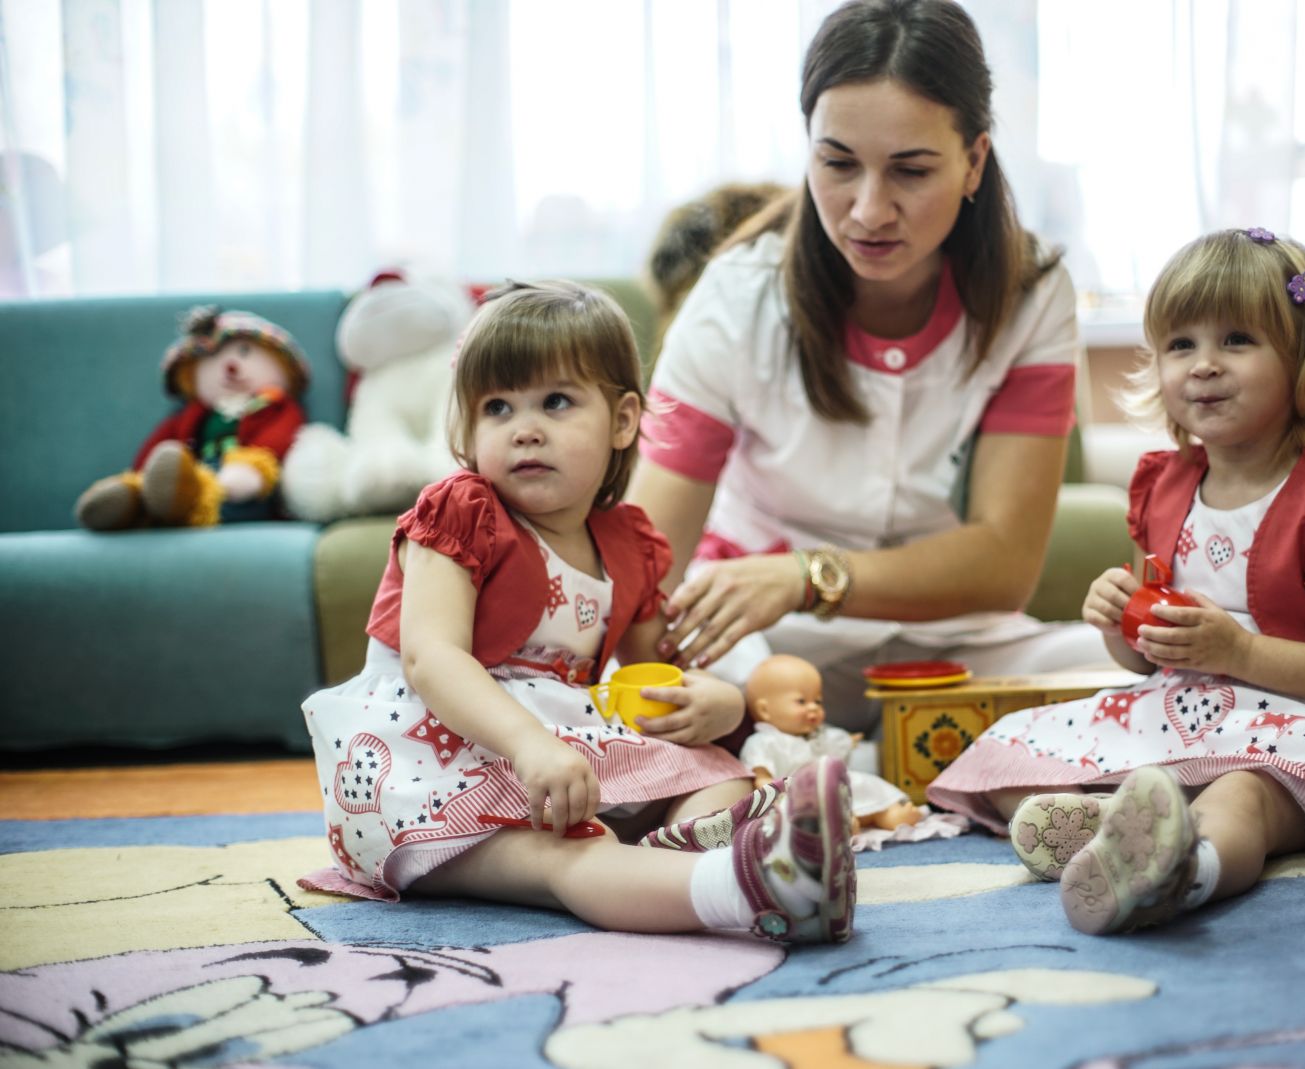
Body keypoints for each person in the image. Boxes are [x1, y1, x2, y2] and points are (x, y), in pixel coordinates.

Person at [297, 281, 855, 945]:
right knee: (569, 857)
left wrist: (721, 703)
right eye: (497, 406)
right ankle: (751, 888)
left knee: (715, 767)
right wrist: (530, 745)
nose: (524, 427)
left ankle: (678, 860)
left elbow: (658, 674)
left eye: (556, 401)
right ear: (468, 429)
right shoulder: (461, 514)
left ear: (622, 421)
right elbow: (430, 657)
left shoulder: (629, 542)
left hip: (554, 754)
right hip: (432, 763)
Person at [926, 228, 1305, 935]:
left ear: (1303, 361)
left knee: (1241, 799)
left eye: (1235, 339)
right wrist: (1118, 627)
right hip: (1184, 710)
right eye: (1180, 344)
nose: (1202, 365)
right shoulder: (1162, 486)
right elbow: (1147, 657)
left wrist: (1239, 653)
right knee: (1010, 759)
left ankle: (1183, 872)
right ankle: (1122, 825)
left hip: (1301, 731)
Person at [626, 0, 1106, 734]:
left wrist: (808, 576)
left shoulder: (1032, 293)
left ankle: (859, 768)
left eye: (910, 171)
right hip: (758, 646)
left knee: (1135, 677)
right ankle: (868, 770)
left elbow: (1004, 562)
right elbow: (648, 562)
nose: (868, 211)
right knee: (693, 700)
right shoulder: (734, 297)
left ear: (975, 160)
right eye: (838, 163)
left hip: (949, 638)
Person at [742, 654, 924, 834]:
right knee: (813, 810)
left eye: (817, 701)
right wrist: (775, 793)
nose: (813, 707)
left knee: (861, 786)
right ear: (764, 710)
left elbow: (832, 746)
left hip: (832, 787)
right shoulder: (764, 742)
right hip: (799, 796)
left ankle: (886, 813)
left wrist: (848, 742)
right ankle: (837, 826)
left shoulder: (817, 736)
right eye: (801, 701)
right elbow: (761, 778)